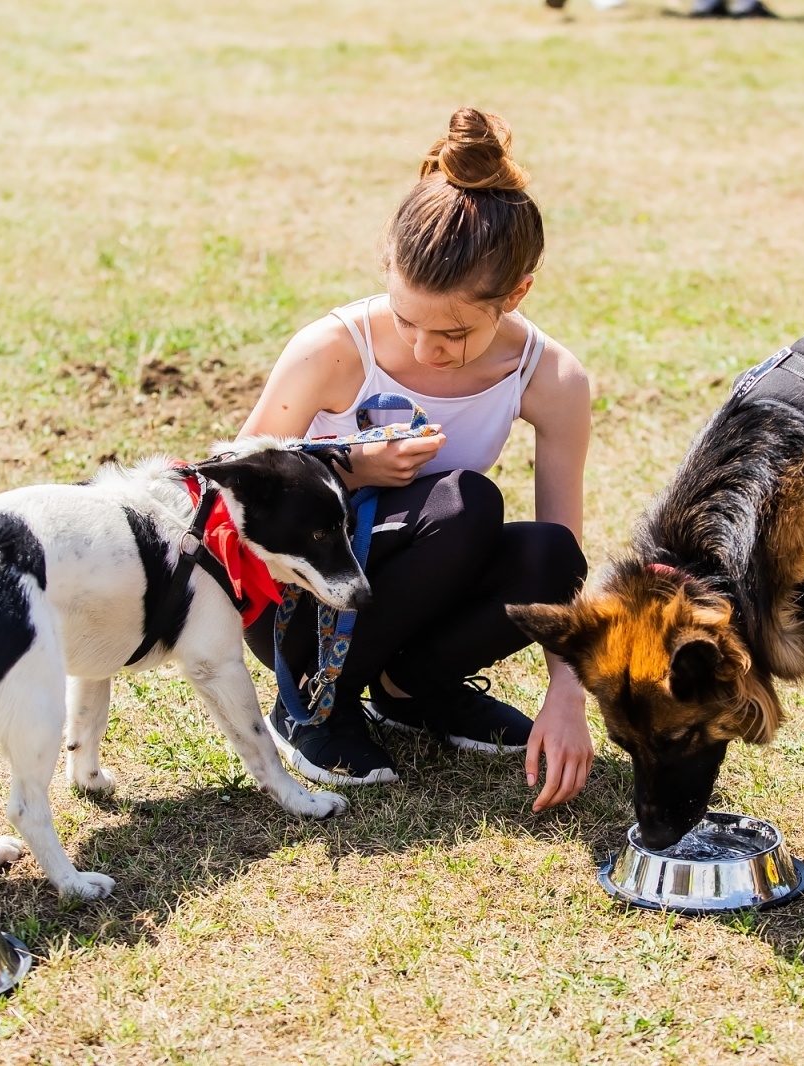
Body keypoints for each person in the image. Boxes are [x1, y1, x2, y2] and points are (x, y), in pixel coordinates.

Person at [238, 108, 595, 813]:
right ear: (386, 266)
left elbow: (567, 548)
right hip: (302, 602)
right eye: (407, 320)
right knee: (469, 502)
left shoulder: (551, 377)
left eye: (454, 332)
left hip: (409, 590)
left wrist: (568, 692)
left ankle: (410, 693)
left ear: (518, 293)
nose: (426, 348)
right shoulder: (334, 346)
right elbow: (232, 486)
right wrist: (350, 471)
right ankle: (311, 701)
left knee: (548, 553)